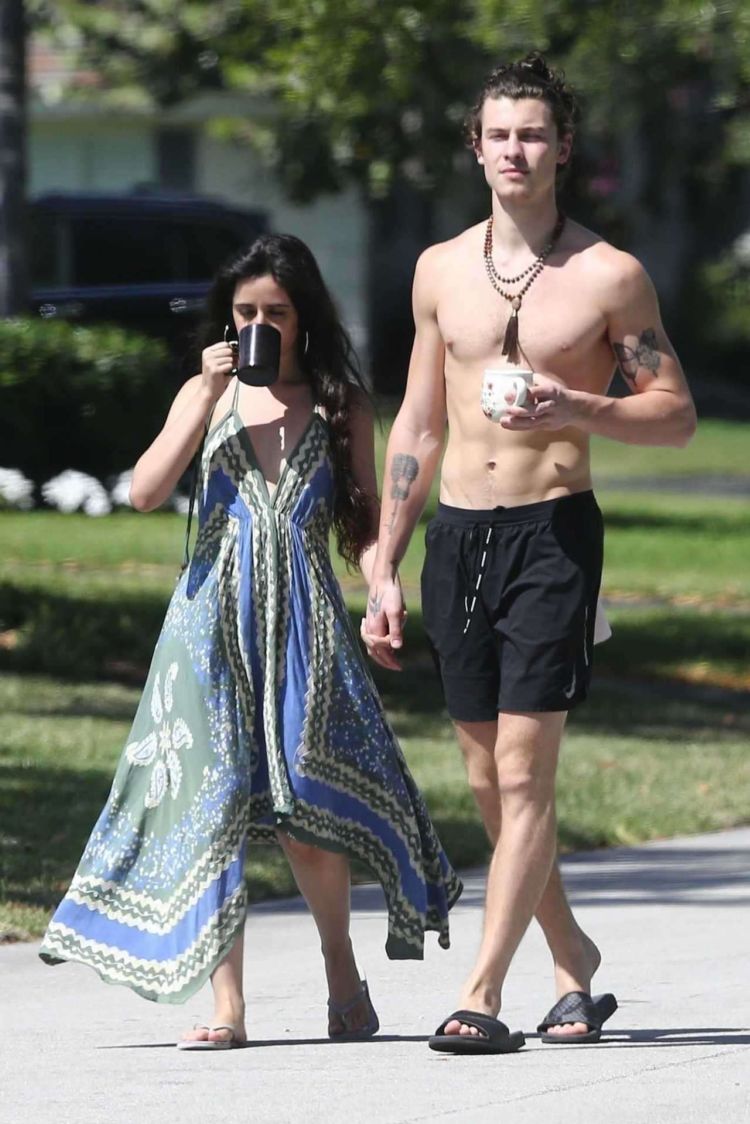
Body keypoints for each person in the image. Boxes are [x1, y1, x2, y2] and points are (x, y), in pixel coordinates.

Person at [39, 233, 462, 1049]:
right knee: (215, 809)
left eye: (276, 311)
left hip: (302, 618)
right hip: (208, 625)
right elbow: (144, 492)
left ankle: (343, 975)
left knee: (305, 809)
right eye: (245, 312)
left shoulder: (342, 402)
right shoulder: (210, 394)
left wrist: (385, 582)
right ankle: (227, 1007)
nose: (260, 324)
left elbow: (363, 522)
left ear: (304, 317)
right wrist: (202, 395)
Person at [361, 53, 697, 1054]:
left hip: (553, 532)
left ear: (563, 147)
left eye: (535, 133)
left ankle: (483, 990)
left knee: (523, 767)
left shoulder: (609, 276)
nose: (517, 148)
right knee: (484, 778)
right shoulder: (438, 269)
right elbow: (417, 421)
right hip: (458, 535)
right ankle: (574, 960)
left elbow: (674, 415)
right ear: (477, 148)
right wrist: (384, 560)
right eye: (500, 132)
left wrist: (579, 402)